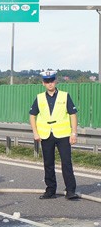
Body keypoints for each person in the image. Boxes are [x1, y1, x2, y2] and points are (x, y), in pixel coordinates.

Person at [29, 69, 79, 200]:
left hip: (63, 134)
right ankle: (50, 190)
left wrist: (74, 133)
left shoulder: (64, 95)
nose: (50, 83)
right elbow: (32, 115)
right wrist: (35, 132)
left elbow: (73, 114)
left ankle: (70, 191)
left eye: (52, 80)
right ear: (43, 83)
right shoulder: (39, 98)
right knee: (48, 163)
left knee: (66, 162)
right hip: (46, 135)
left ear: (56, 81)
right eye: (47, 81)